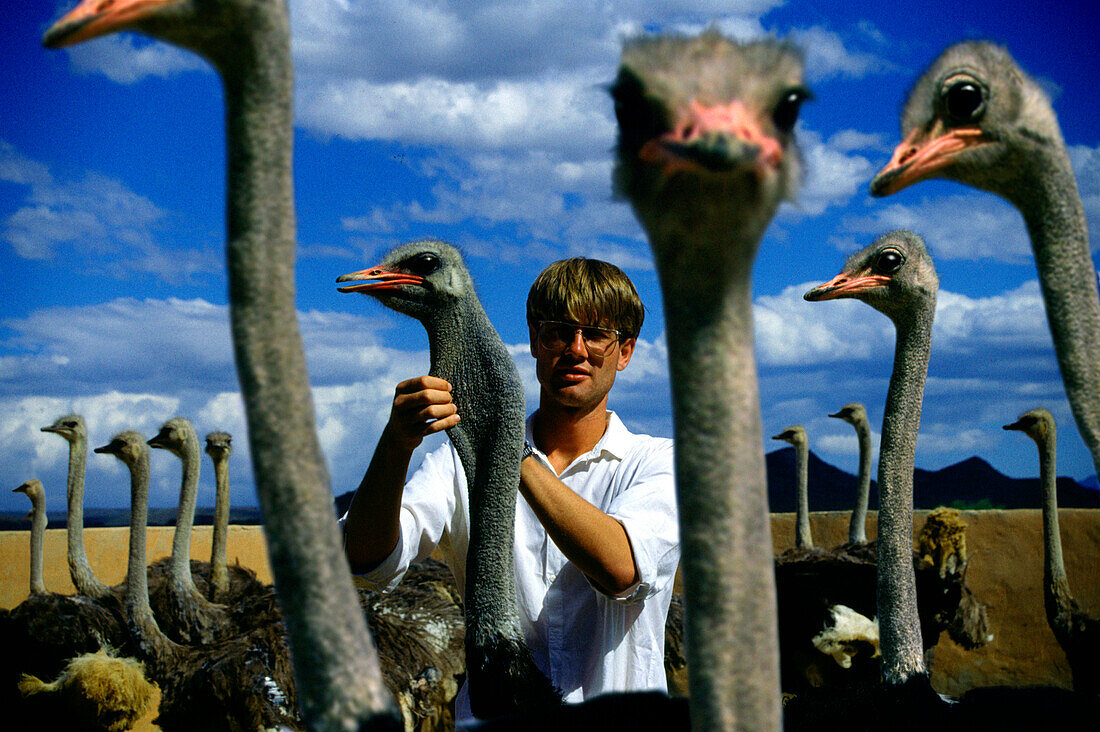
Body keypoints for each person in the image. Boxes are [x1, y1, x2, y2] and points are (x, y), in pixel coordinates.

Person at [341, 257, 680, 722]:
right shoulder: (457, 466)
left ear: (624, 352)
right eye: (560, 331)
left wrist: (504, 447)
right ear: (536, 340)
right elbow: (367, 563)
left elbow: (622, 567)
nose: (576, 349)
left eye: (597, 335)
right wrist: (396, 443)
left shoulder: (659, 463)